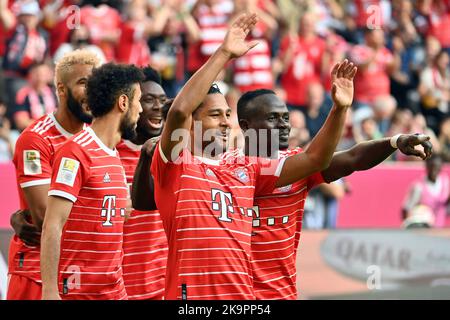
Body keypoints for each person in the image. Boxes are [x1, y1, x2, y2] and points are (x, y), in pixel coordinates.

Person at [143, 13, 356, 300]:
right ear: (190, 124)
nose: (224, 122)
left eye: (227, 115)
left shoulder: (246, 167)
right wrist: (224, 54)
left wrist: (338, 110)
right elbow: (180, 110)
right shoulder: (175, 162)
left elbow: (315, 160)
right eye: (214, 114)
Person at [236, 89, 433, 300]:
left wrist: (394, 141)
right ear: (246, 126)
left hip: (279, 294)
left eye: (285, 117)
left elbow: (353, 157)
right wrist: (340, 109)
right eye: (272, 118)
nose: (284, 125)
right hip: (231, 295)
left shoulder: (298, 165)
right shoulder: (226, 168)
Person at [40, 63, 144, 300]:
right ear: (123, 103)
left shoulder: (113, 154)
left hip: (115, 290)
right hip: (80, 292)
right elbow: (52, 225)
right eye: (138, 100)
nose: (140, 110)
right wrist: (49, 291)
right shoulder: (76, 152)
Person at [7, 50, 101, 300]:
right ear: (61, 89)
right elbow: (44, 217)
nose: (92, 92)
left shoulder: (98, 136)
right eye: (83, 83)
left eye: (96, 84)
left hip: (84, 271)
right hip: (37, 276)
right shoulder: (35, 139)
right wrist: (105, 214)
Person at [117, 66, 168, 300]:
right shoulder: (108, 153)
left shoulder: (173, 156)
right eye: (148, 100)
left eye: (162, 100)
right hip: (119, 285)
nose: (158, 107)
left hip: (163, 284)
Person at [403, 153, 449, 228]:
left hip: (440, 229)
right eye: (432, 167)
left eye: (437, 167)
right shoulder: (418, 186)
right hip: (424, 231)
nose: (434, 170)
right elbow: (406, 208)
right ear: (427, 166)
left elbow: (446, 206)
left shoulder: (445, 182)